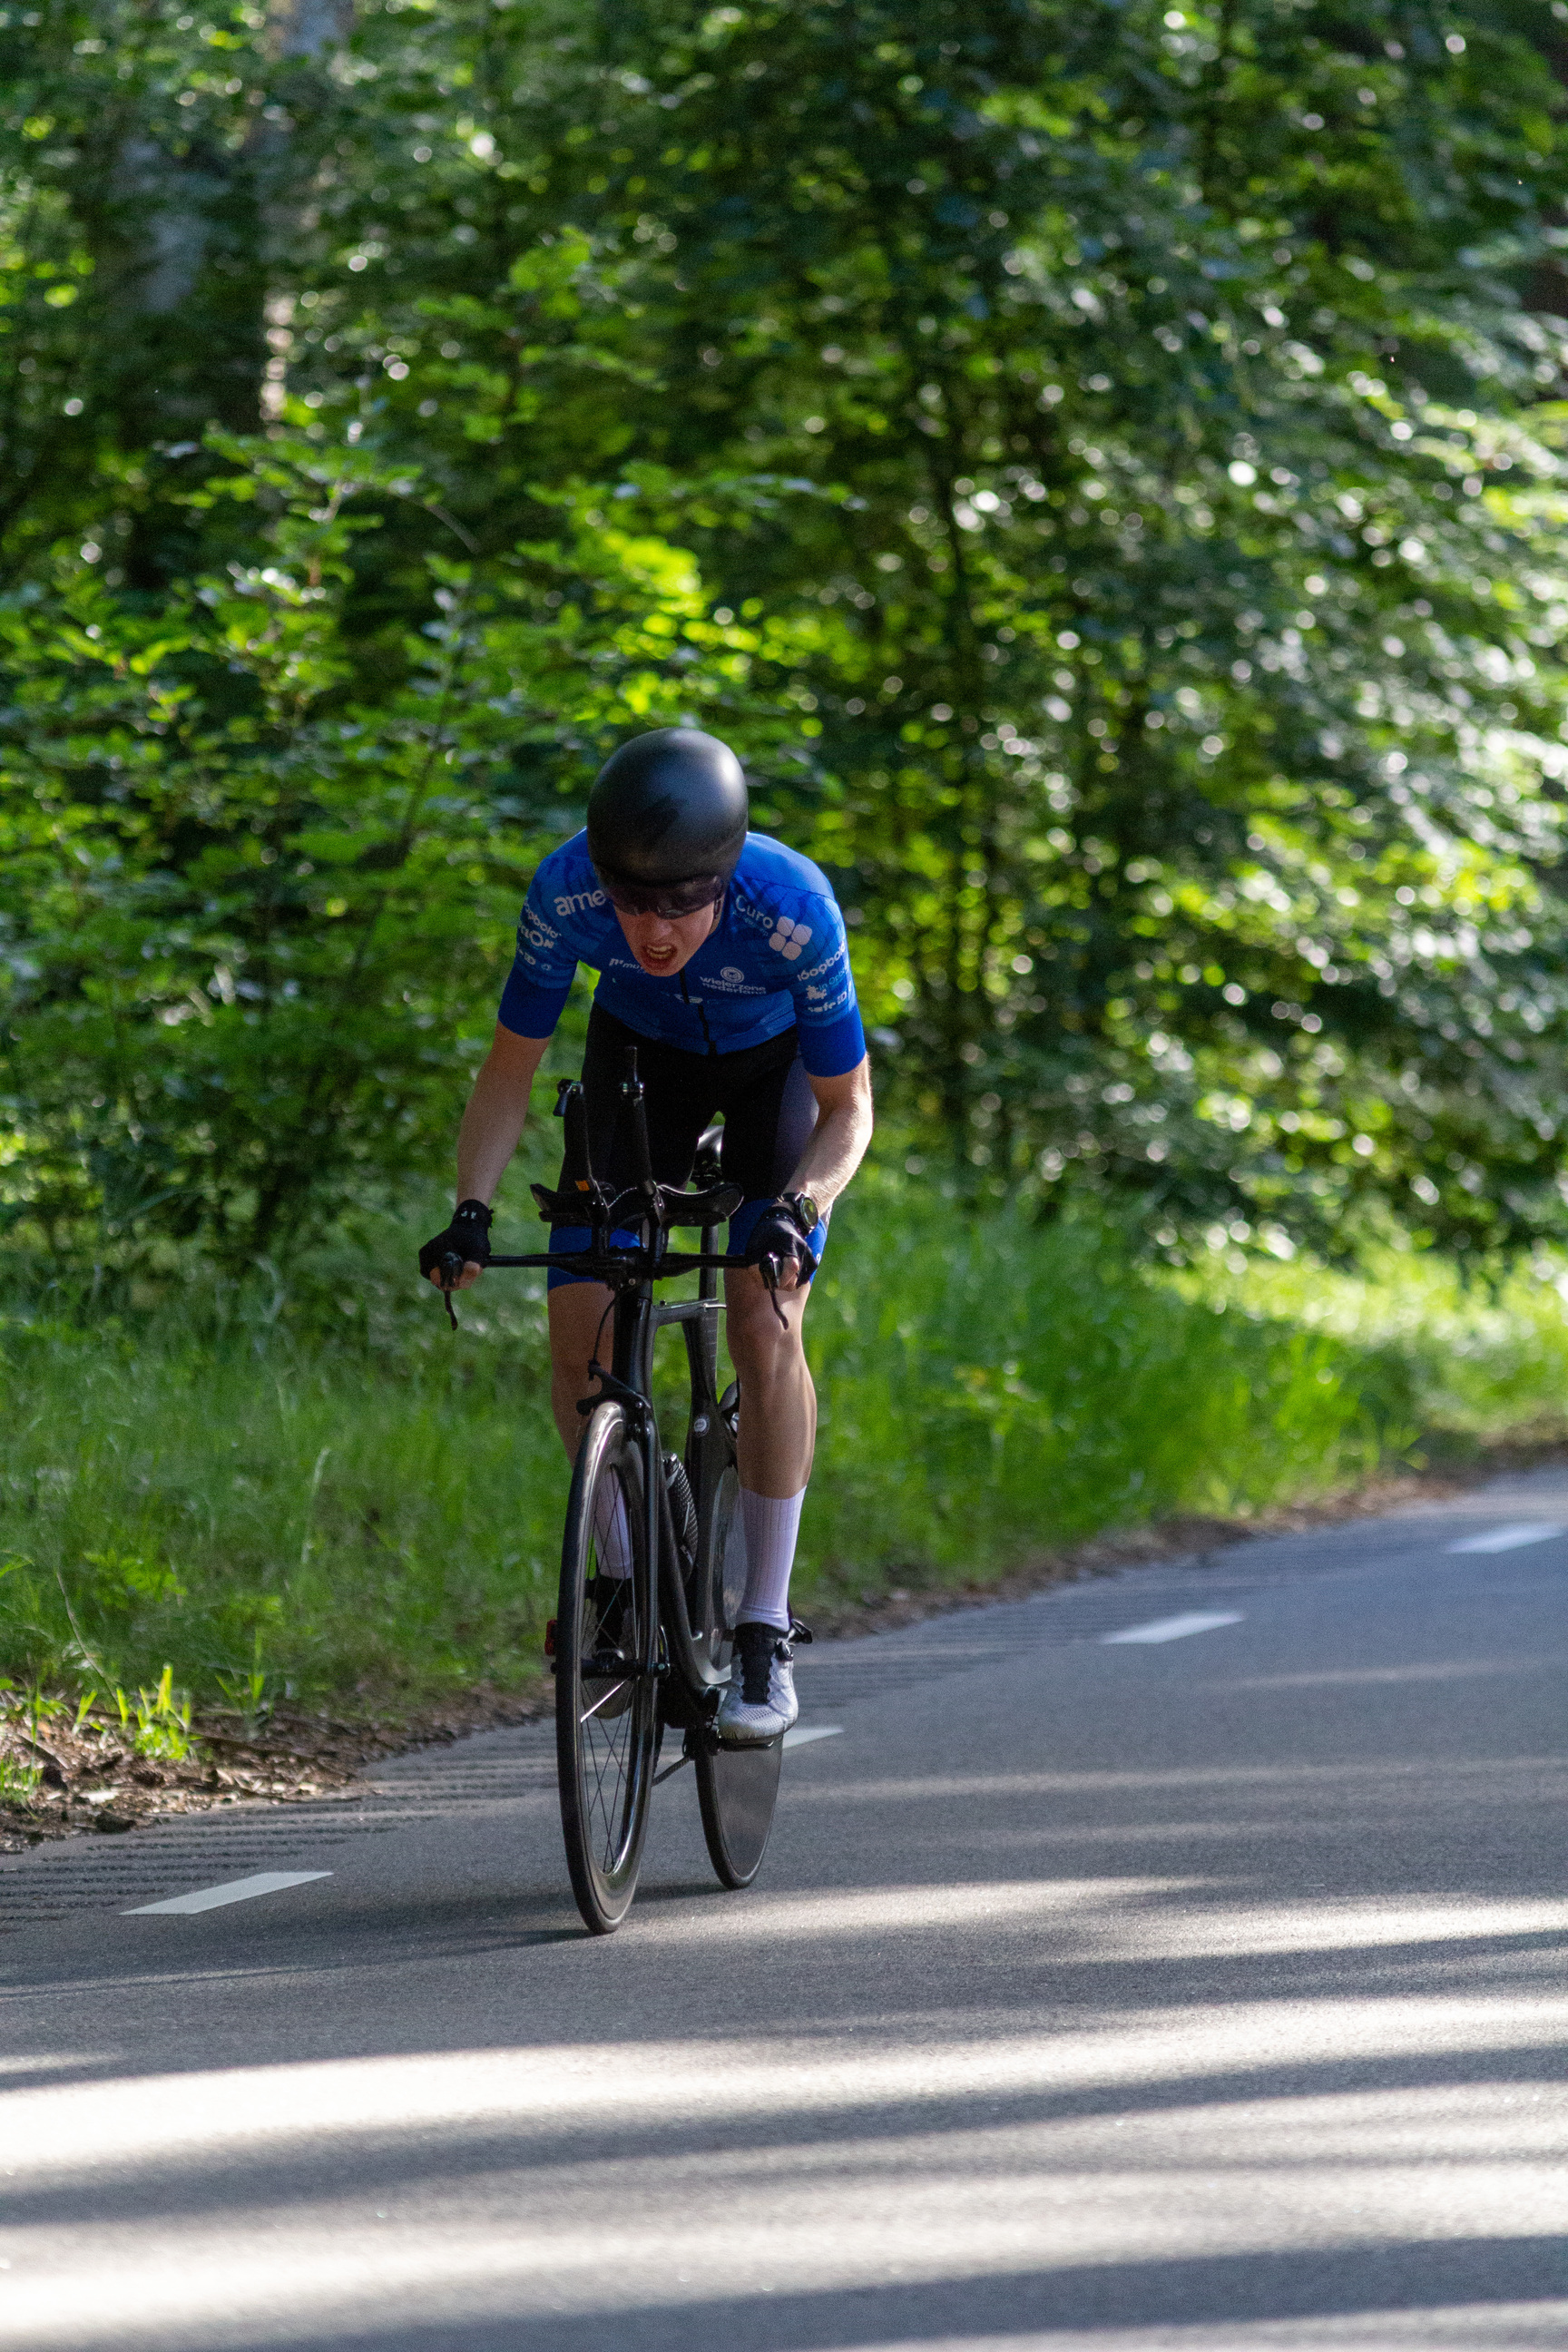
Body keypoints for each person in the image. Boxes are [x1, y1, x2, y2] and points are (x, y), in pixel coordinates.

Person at [420, 727, 874, 1741]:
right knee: (579, 1323)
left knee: (766, 1315)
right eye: (633, 901)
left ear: (723, 879)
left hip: (776, 1082)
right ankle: (624, 1569)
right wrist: (471, 1208)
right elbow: (510, 1069)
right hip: (639, 1065)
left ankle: (762, 1627)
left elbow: (850, 1108)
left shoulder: (794, 909)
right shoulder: (566, 892)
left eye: (679, 904)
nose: (653, 930)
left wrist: (802, 1209)